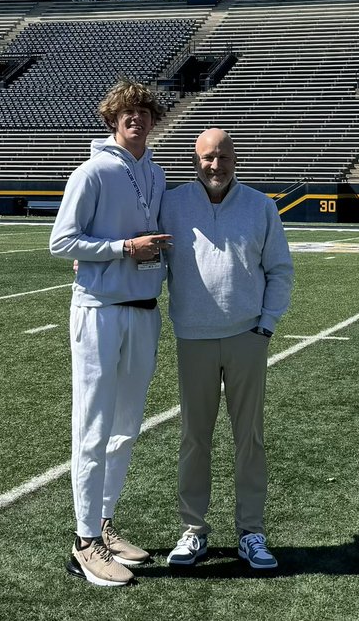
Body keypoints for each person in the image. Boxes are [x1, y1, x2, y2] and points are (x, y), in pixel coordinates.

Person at [49, 78, 173, 587]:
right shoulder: (92, 171)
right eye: (127, 112)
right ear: (112, 120)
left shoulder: (157, 173)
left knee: (126, 427)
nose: (136, 118)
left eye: (143, 111)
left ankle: (103, 523)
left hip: (143, 310)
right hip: (99, 310)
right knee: (93, 426)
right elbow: (61, 242)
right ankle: (83, 543)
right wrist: (123, 248)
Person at [159, 128, 294, 570]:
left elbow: (280, 270)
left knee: (249, 439)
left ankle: (251, 532)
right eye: (207, 158)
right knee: (194, 439)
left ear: (235, 159)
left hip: (246, 337)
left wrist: (266, 325)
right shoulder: (171, 204)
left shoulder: (260, 205)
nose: (215, 166)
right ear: (194, 161)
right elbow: (145, 252)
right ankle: (193, 530)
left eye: (222, 157)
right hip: (193, 337)